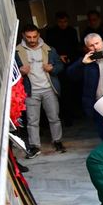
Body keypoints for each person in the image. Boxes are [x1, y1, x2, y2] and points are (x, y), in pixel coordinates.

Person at [15, 24, 65, 158]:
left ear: (39, 35)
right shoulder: (17, 51)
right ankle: (35, 146)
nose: (32, 40)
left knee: (54, 117)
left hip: (49, 88)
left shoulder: (48, 49)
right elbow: (10, 73)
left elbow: (60, 66)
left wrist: (52, 69)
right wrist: (20, 72)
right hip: (30, 91)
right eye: (28, 37)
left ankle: (57, 141)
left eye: (34, 36)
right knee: (32, 121)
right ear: (23, 36)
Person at [68, 32, 103, 140]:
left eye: (97, 43)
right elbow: (70, 75)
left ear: (102, 43)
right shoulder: (86, 62)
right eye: (91, 45)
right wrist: (82, 63)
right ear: (87, 48)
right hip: (97, 104)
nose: (95, 47)